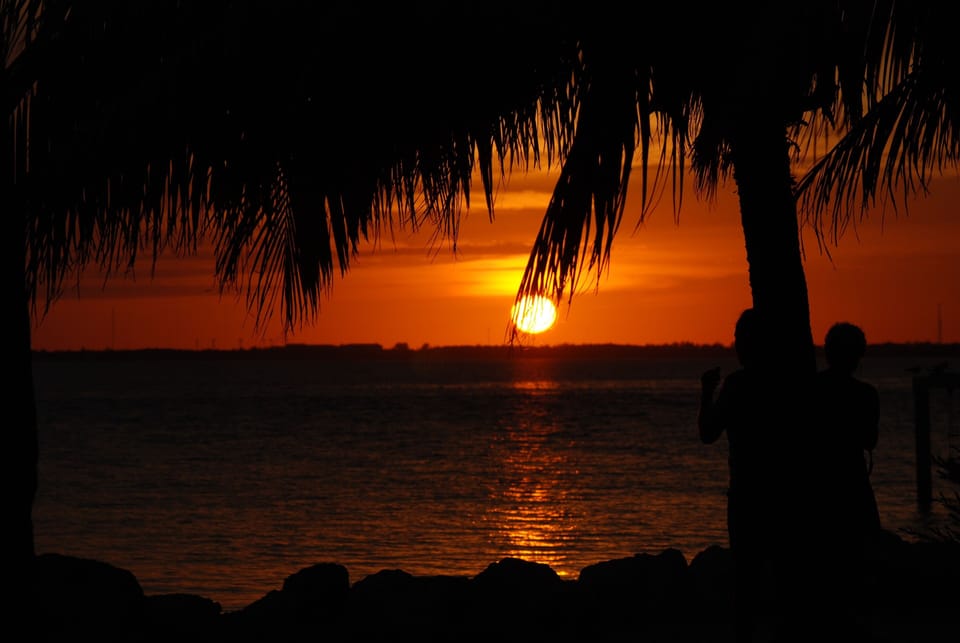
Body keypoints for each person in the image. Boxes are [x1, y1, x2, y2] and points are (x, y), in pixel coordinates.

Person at [698, 308, 785, 643]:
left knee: (747, 577)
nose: (736, 346)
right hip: (782, 492)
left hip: (748, 493)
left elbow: (708, 432)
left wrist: (707, 392)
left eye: (740, 339)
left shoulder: (738, 385)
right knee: (782, 573)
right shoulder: (786, 384)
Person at [810, 321, 881, 639]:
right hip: (852, 483)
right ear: (858, 356)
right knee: (858, 555)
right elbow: (870, 440)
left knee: (824, 561)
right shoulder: (866, 395)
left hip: (819, 486)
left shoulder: (811, 390)